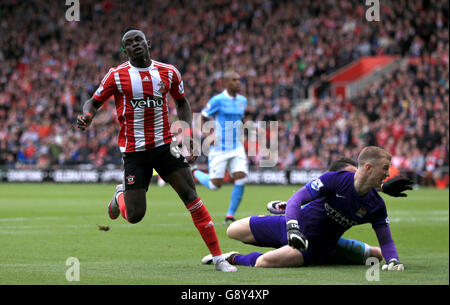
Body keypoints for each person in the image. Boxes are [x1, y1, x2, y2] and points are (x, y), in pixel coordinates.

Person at [76, 27, 237, 272]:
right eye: (129, 43)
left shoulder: (169, 72)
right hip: (134, 152)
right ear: (124, 50)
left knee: (191, 197)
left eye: (138, 40)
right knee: (136, 214)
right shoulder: (116, 76)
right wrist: (87, 115)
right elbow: (94, 101)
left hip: (165, 146)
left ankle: (218, 258)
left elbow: (182, 103)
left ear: (147, 43)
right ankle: (120, 194)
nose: (135, 45)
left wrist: (186, 136)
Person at [202, 147, 406, 271]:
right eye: (385, 169)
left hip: (312, 246)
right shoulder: (334, 180)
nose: (388, 173)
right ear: (368, 167)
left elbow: (386, 240)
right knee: (232, 230)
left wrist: (394, 260)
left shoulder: (376, 206)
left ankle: (233, 258)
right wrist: (292, 227)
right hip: (289, 226)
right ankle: (286, 244)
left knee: (263, 262)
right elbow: (295, 200)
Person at [191, 71, 248, 224]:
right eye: (234, 80)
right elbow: (202, 116)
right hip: (220, 148)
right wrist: (208, 135)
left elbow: (241, 118)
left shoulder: (242, 100)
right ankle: (194, 172)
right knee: (215, 185)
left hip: (236, 147)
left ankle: (230, 215)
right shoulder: (217, 100)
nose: (238, 82)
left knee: (241, 177)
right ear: (227, 83)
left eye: (238, 79)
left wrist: (243, 132)